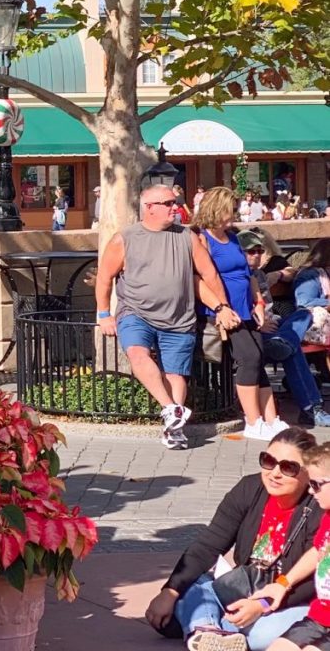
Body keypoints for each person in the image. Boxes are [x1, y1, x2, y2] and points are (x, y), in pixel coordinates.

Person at [146, 427, 321, 651]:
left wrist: (261, 604)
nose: (274, 473)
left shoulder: (318, 505)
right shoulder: (249, 488)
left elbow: (313, 579)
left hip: (290, 598)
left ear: (307, 472)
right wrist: (169, 591)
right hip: (243, 587)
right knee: (189, 588)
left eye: (287, 467)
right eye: (268, 461)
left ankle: (205, 626)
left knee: (261, 637)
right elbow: (209, 543)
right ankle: (210, 632)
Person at [96, 185, 229, 449]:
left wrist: (223, 306)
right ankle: (170, 407)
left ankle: (174, 428)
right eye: (167, 203)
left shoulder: (186, 236)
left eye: (175, 202)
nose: (174, 207)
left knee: (176, 373)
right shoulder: (125, 238)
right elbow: (104, 277)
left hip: (179, 317)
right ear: (149, 208)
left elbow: (209, 274)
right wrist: (103, 314)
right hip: (136, 312)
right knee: (137, 353)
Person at [195, 187, 285, 440]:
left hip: (246, 305)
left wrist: (258, 302)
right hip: (224, 308)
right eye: (229, 210)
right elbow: (201, 277)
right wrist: (220, 308)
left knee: (258, 357)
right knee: (248, 358)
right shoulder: (203, 239)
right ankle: (252, 420)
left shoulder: (234, 237)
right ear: (216, 209)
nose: (233, 214)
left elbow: (249, 274)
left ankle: (271, 419)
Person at [245, 231, 330, 428]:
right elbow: (235, 310)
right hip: (253, 329)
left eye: (259, 250)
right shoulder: (237, 278)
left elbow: (285, 278)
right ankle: (312, 409)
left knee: (303, 317)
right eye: (250, 251)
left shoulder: (258, 275)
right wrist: (260, 322)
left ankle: (284, 341)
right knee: (293, 349)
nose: (257, 255)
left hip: (274, 324)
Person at [252, 440, 330, 651]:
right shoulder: (327, 517)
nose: (311, 492)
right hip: (320, 616)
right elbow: (318, 551)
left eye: (316, 484)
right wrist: (284, 582)